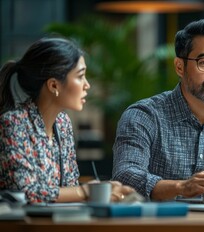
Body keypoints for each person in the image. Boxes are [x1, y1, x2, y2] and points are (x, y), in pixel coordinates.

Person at [112, 18, 204, 201]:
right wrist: (180, 187)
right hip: (163, 224)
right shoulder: (143, 116)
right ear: (179, 67)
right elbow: (125, 175)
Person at [0, 37, 134, 203]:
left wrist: (102, 189)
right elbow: (25, 193)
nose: (87, 85)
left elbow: (70, 185)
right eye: (80, 76)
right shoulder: (13, 123)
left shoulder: (62, 123)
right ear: (54, 85)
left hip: (61, 223)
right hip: (22, 227)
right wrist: (86, 191)